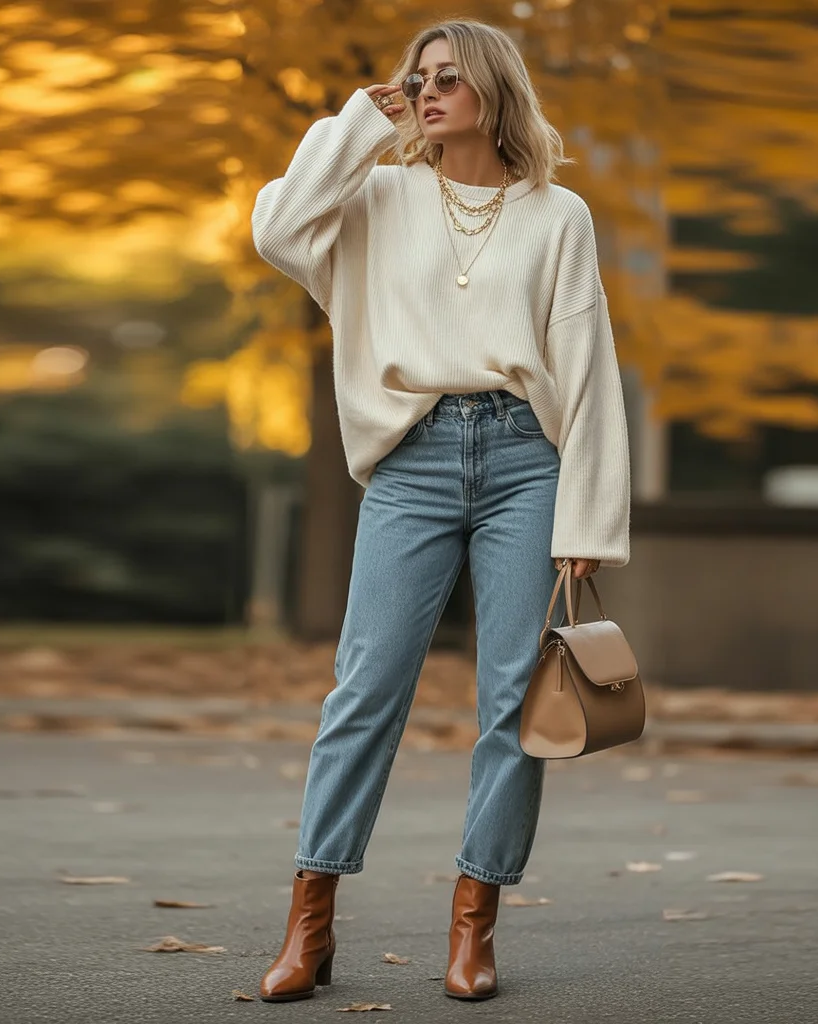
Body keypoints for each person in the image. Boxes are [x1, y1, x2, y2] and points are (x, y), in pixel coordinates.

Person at [250, 18, 631, 1004]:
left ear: (493, 90)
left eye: (448, 79)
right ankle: (310, 921)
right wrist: (352, 125)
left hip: (524, 461)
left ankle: (473, 925)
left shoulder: (559, 215)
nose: (425, 93)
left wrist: (586, 522)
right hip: (412, 459)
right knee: (364, 687)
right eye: (416, 79)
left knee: (513, 698)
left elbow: (586, 371)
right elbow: (278, 229)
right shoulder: (376, 196)